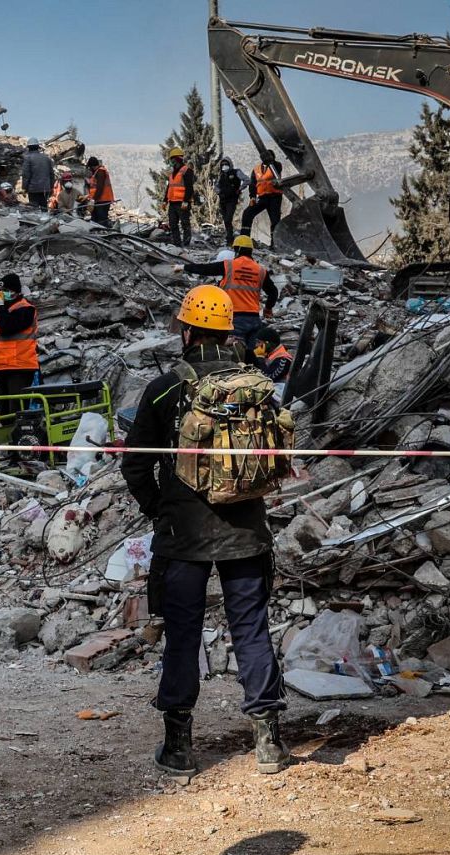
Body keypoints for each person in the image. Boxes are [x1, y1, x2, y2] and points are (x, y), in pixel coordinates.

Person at [120, 285, 291, 780]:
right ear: (229, 331)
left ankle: (178, 747)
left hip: (182, 534)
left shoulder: (166, 387)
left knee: (183, 635)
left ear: (189, 330)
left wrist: (160, 509)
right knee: (251, 628)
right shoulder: (256, 385)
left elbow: (136, 467)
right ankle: (269, 743)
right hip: (246, 530)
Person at [173, 234, 278, 346]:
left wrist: (183, 267)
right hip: (254, 320)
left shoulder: (229, 265)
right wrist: (268, 309)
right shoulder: (260, 270)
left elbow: (205, 269)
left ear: (237, 250)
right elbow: (273, 292)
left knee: (235, 353)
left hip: (235, 319)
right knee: (250, 354)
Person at [0, 273, 39, 396]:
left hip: (20, 367)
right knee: (4, 412)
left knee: (16, 409)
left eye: (5, 290)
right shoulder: (5, 311)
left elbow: (7, 327)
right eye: (0, 291)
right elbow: (2, 338)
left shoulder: (26, 309)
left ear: (15, 291)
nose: (2, 294)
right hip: (5, 367)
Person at [241, 148, 285, 245]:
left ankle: (275, 244)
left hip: (275, 197)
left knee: (275, 221)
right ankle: (244, 239)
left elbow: (277, 169)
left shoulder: (276, 166)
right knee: (247, 214)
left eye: (269, 156)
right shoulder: (256, 169)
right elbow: (252, 184)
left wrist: (271, 162)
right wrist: (252, 197)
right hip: (262, 197)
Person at [164, 148, 195, 247]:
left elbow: (189, 187)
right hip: (172, 203)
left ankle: (186, 243)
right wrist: (165, 200)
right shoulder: (172, 173)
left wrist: (186, 201)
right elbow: (169, 187)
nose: (171, 161)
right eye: (171, 159)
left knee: (185, 224)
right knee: (173, 224)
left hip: (182, 202)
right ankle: (177, 244)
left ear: (178, 159)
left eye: (173, 159)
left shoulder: (186, 171)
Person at [216, 158, 248, 246]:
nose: (224, 166)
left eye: (226, 164)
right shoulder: (221, 175)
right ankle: (229, 237)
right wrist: (218, 191)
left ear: (230, 164)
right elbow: (217, 186)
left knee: (228, 218)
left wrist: (240, 189)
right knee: (226, 220)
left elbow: (247, 180)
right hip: (222, 200)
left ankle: (230, 238)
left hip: (232, 200)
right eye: (222, 164)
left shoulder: (236, 172)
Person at [21, 139, 54, 210]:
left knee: (34, 209)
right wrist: (51, 187)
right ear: (38, 147)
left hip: (33, 189)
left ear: (28, 148)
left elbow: (26, 175)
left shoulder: (27, 158)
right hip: (45, 188)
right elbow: (51, 174)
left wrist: (24, 188)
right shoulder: (46, 158)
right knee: (44, 208)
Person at [85, 156, 114, 226]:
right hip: (100, 199)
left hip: (103, 199)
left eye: (90, 168)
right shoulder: (97, 172)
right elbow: (94, 186)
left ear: (92, 166)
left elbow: (100, 187)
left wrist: (94, 199)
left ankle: (103, 232)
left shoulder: (100, 172)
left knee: (101, 219)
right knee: (96, 218)